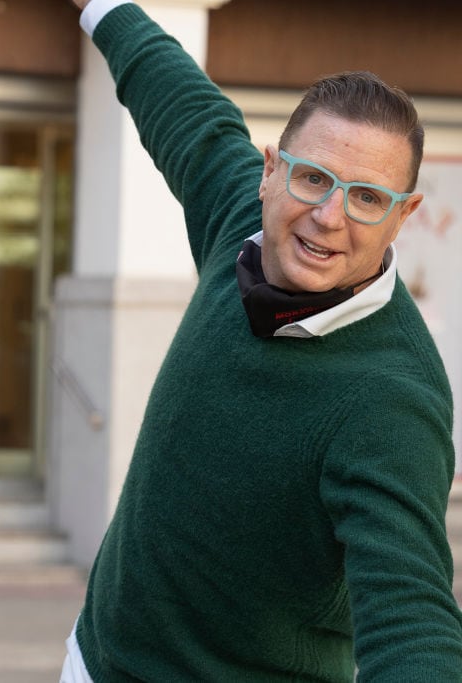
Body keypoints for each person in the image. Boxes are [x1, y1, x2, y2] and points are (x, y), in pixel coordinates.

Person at [60, 1, 462, 681]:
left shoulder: (392, 400)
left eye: (367, 197)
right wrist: (103, 6)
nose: (330, 217)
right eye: (314, 178)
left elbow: (411, 616)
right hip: (95, 660)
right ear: (272, 171)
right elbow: (181, 103)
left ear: (404, 216)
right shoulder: (238, 221)